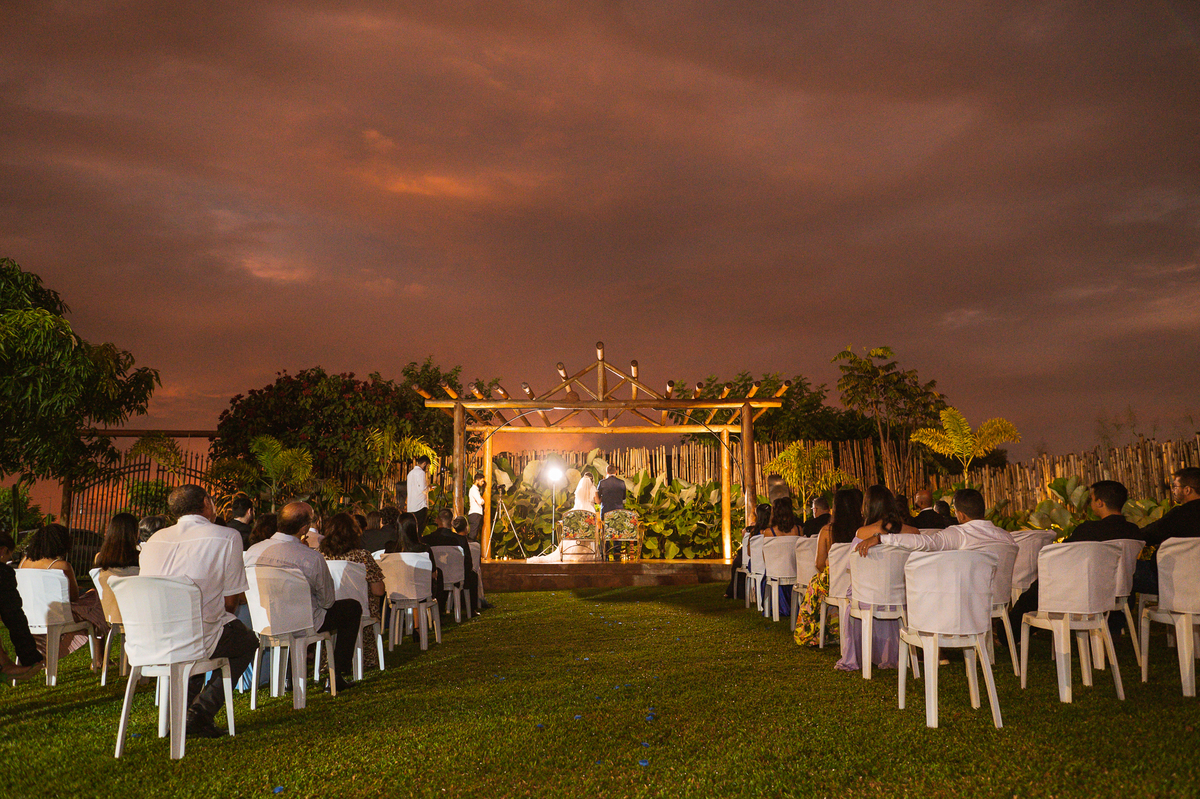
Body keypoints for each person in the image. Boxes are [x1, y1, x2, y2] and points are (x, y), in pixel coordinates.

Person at [139, 485, 259, 739]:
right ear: (206, 502)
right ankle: (200, 713)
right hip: (198, 636)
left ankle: (181, 713)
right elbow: (230, 602)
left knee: (203, 635)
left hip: (152, 639)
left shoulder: (154, 540)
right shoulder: (227, 536)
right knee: (246, 640)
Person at [244, 501, 362, 691]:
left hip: (265, 622)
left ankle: (289, 678)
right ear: (304, 528)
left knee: (295, 611)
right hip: (303, 625)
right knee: (352, 608)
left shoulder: (252, 552)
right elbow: (328, 601)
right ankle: (337, 674)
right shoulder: (310, 557)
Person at [1009, 480, 1142, 633]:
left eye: (1091, 499)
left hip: (1086, 594)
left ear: (1100, 503)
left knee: (1037, 589)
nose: (1089, 503)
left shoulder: (1089, 530)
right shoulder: (1133, 531)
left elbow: (1061, 554)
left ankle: (1008, 634)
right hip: (1122, 594)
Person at [835, 485, 919, 672]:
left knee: (854, 594)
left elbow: (853, 567)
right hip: (903, 599)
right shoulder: (913, 532)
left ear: (868, 507)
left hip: (869, 598)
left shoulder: (862, 533)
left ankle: (863, 651)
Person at [19, 523, 108, 669]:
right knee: (95, 599)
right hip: (58, 617)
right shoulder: (61, 566)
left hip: (31, 615)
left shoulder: (23, 563)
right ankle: (99, 658)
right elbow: (73, 597)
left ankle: (99, 658)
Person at [795, 487, 863, 646]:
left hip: (834, 584)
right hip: (860, 583)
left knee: (815, 583)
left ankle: (812, 632)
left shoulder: (827, 531)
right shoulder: (865, 530)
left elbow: (819, 564)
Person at [319, 512, 385, 670]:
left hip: (327, 612)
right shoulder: (363, 556)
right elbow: (378, 590)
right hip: (360, 612)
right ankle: (366, 657)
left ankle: (327, 658)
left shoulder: (319, 556)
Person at [1132, 467, 1200, 596]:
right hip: (1195, 579)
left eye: (1175, 487)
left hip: (1173, 580)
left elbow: (1147, 535)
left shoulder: (1180, 514)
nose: (1173, 491)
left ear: (1187, 490)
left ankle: (1121, 610)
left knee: (1123, 571)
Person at [0, 531, 44, 680]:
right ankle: (5, 665)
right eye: (9, 556)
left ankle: (4, 664)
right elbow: (13, 615)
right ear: (3, 550)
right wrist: (30, 655)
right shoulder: (3, 573)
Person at [424, 508, 480, 613]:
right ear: (451, 521)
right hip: (456, 578)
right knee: (473, 574)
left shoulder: (427, 540)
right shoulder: (460, 540)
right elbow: (468, 562)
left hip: (434, 578)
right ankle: (471, 609)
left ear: (437, 520)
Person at [394, 512, 445, 619]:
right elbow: (433, 574)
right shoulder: (424, 549)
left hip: (397, 592)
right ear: (415, 528)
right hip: (421, 593)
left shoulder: (391, 550)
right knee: (438, 573)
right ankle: (438, 614)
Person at [94, 513, 141, 627]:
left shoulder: (100, 558)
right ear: (134, 532)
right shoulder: (141, 558)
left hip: (108, 616)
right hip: (136, 617)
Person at [725, 503, 772, 600]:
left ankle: (735, 591)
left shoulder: (752, 531)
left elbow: (749, 553)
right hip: (770, 562)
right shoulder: (774, 531)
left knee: (739, 560)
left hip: (756, 564)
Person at [407, 456, 431, 534]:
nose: (427, 469)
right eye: (427, 466)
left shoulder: (410, 473)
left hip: (411, 506)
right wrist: (429, 488)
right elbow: (423, 489)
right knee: (419, 529)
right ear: (424, 464)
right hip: (420, 505)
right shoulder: (421, 473)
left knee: (412, 530)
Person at [467, 472, 487, 542]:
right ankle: (470, 546)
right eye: (482, 481)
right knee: (473, 534)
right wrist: (483, 499)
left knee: (474, 533)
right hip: (475, 513)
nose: (483, 483)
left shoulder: (476, 490)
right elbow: (480, 501)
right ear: (477, 480)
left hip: (476, 514)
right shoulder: (474, 490)